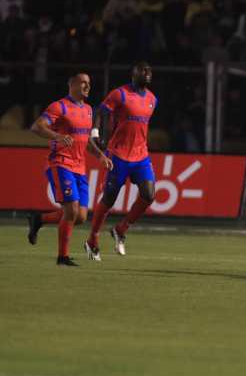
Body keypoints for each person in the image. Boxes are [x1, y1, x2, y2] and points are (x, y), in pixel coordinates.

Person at [27, 73, 113, 265]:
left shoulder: (89, 110)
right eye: (83, 82)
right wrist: (56, 137)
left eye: (89, 83)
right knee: (71, 210)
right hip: (60, 163)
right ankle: (62, 257)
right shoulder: (59, 106)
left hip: (79, 167)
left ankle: (39, 219)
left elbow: (85, 140)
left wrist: (100, 155)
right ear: (71, 84)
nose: (87, 86)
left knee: (80, 216)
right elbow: (36, 127)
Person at [84, 62, 157, 259]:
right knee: (109, 199)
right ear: (133, 74)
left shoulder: (152, 99)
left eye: (149, 70)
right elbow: (101, 111)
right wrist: (96, 132)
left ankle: (121, 229)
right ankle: (92, 239)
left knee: (149, 194)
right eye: (142, 70)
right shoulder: (120, 94)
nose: (147, 73)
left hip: (141, 155)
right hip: (119, 155)